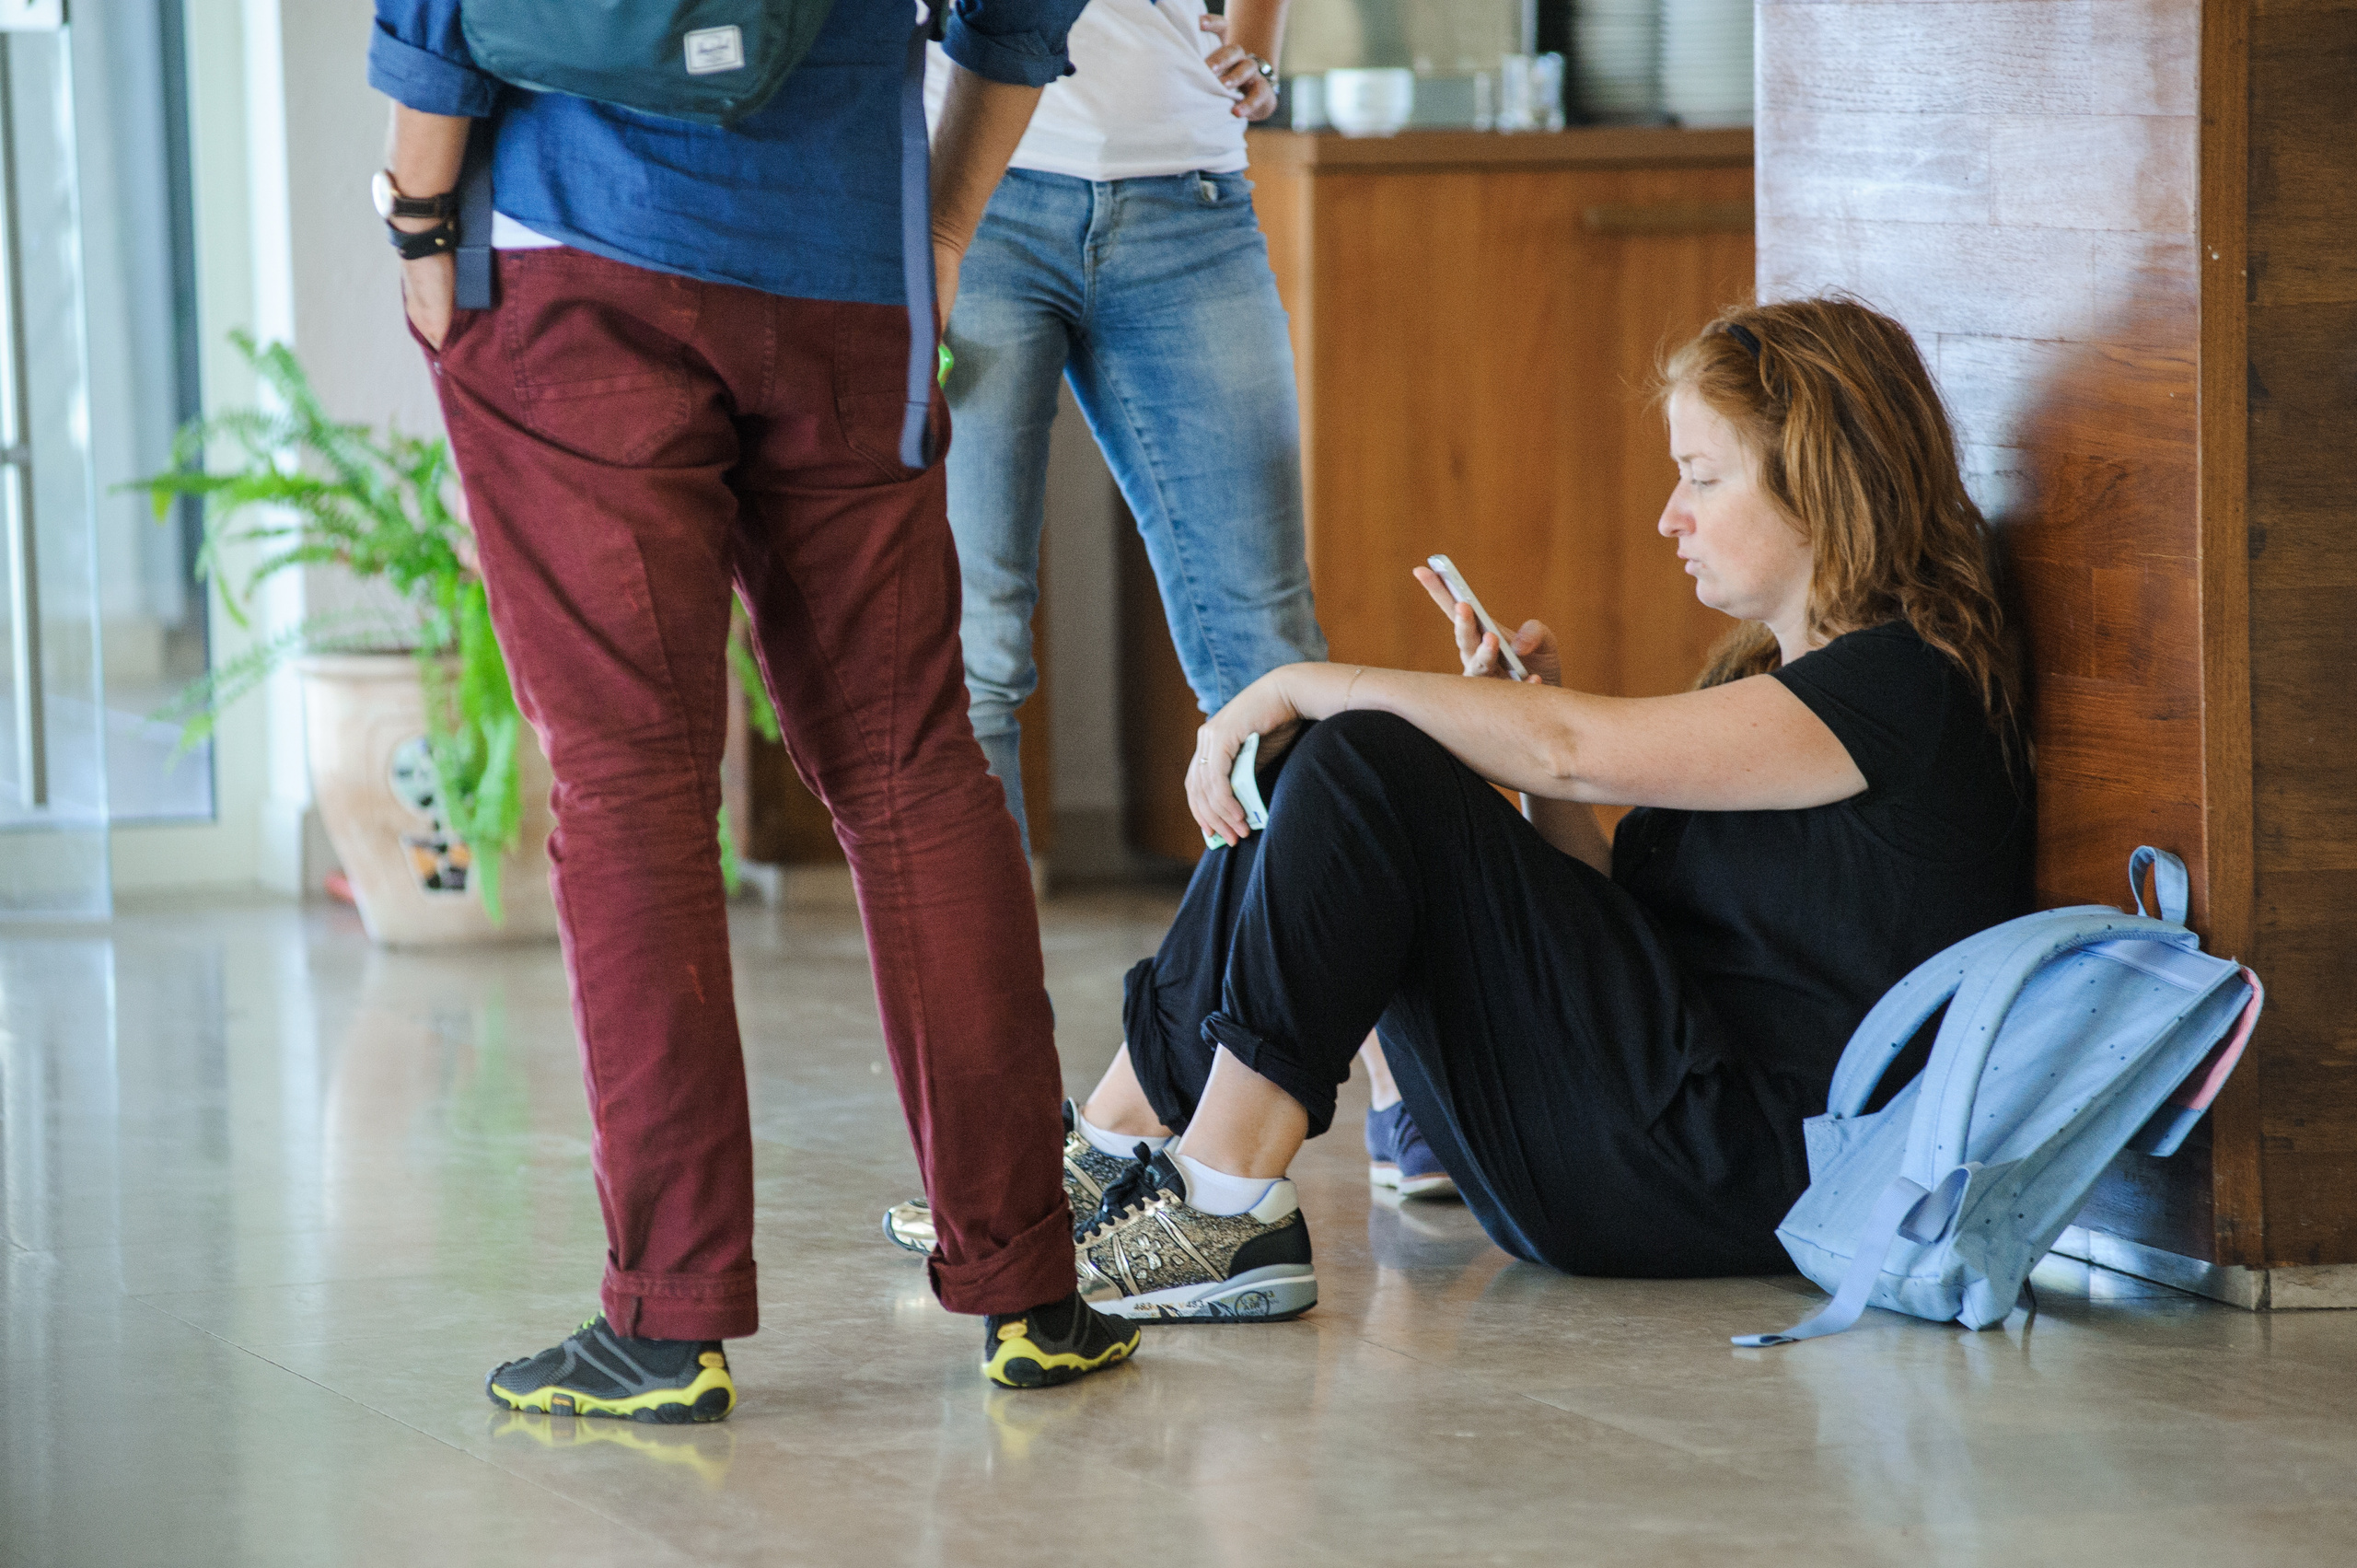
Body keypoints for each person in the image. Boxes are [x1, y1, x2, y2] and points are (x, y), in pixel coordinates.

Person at [366, 0, 1141, 1411]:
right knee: (913, 767)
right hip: (846, 266)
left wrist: (417, 215)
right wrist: (941, 229)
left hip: (575, 255)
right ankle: (1030, 1286)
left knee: (629, 780)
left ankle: (669, 1321)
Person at [1062, 297, 2035, 1320]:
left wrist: (1303, 678)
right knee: (1327, 760)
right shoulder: (1770, 679)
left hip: (1725, 1169)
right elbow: (1622, 910)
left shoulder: (1907, 690)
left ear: (1826, 489)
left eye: (1702, 477)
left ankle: (1221, 1201)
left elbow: (1574, 751)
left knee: (1359, 755)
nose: (1671, 514)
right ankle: (1116, 1145)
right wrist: (1513, 749)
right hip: (1646, 1139)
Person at [877, 0, 1445, 1266]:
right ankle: (997, 1150)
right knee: (972, 668)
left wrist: (1255, 31)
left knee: (1271, 659)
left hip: (1187, 194)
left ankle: (1404, 1067)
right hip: (974, 189)